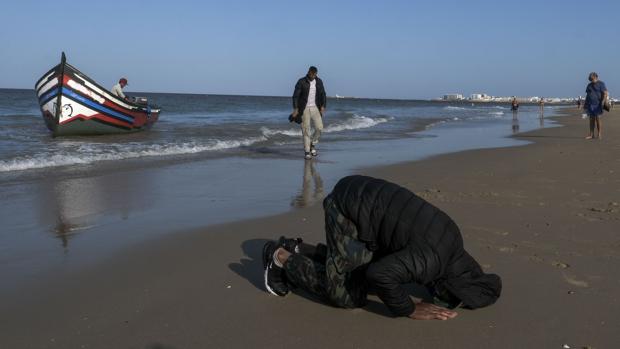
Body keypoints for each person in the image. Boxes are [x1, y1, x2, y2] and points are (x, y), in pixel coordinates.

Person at [263, 175, 502, 320]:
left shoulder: (454, 242)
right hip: (346, 208)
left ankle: (300, 249)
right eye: (451, 298)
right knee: (348, 295)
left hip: (364, 197)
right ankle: (280, 257)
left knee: (363, 274)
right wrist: (408, 308)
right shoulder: (431, 261)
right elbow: (380, 274)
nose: (439, 298)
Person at [292, 66, 327, 160]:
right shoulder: (301, 81)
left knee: (319, 128)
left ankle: (313, 144)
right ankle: (307, 151)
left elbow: (323, 93)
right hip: (304, 108)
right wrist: (296, 108)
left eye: (315, 75)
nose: (313, 76)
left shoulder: (319, 81)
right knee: (306, 130)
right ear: (308, 72)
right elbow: (295, 96)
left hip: (315, 107)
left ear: (316, 74)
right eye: (312, 74)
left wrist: (323, 106)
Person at [584, 72, 608, 140]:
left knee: (598, 119)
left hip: (598, 104)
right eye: (590, 79)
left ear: (596, 77)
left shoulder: (601, 84)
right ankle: (591, 134)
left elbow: (605, 93)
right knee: (591, 119)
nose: (591, 81)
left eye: (592, 79)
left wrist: (604, 101)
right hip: (590, 104)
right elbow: (587, 95)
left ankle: (599, 134)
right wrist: (585, 105)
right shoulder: (589, 85)